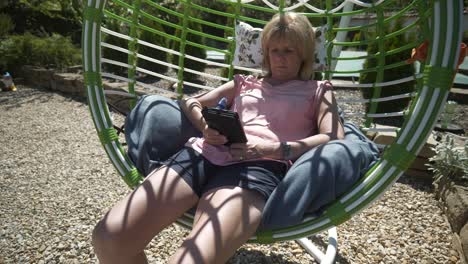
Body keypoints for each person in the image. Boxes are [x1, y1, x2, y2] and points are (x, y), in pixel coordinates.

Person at [92, 12, 345, 264]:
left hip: (258, 167)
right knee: (109, 238)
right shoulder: (245, 83)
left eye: (288, 50)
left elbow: (333, 137)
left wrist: (271, 148)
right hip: (202, 154)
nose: (279, 58)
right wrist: (204, 126)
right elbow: (191, 101)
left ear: (304, 53)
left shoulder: (318, 91)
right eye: (273, 49)